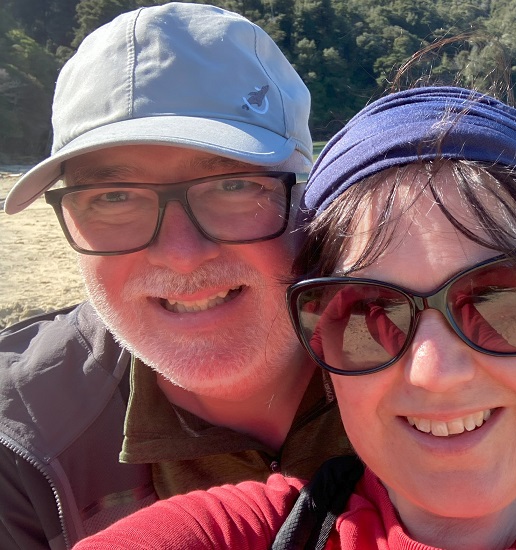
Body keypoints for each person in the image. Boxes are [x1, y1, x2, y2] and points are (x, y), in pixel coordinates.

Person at [73, 87, 516, 549]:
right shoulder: (246, 533)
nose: (437, 371)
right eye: (371, 312)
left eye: (499, 298)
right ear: (319, 339)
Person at [0, 4, 351, 549]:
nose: (182, 255)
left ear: (309, 197)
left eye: (234, 186)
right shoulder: (20, 436)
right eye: (114, 197)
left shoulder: (422, 347)